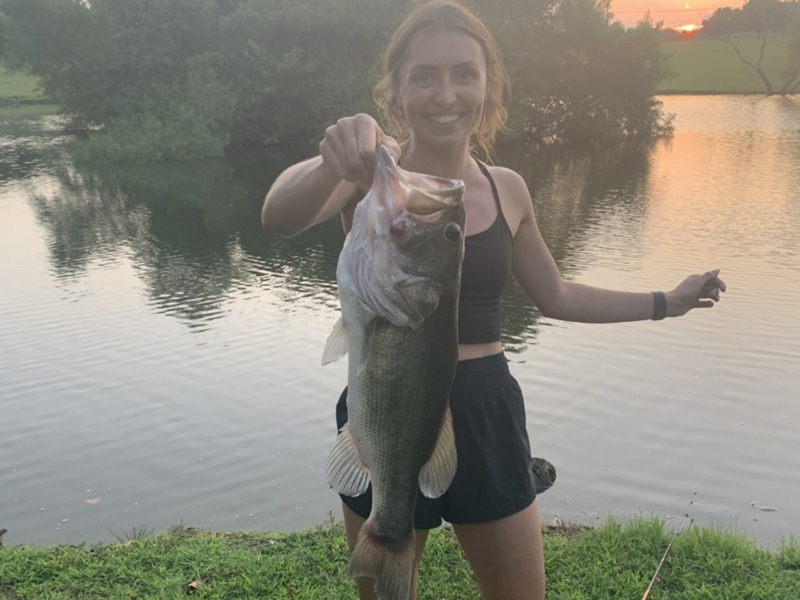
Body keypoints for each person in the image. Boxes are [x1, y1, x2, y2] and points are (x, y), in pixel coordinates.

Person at [261, 2, 726, 598]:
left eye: (464, 73)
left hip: (487, 411)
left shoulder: (508, 188)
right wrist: (333, 163)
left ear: (488, 84)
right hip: (387, 408)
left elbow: (556, 295)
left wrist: (668, 300)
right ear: (396, 89)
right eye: (424, 75)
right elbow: (277, 217)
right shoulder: (372, 176)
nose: (444, 93)